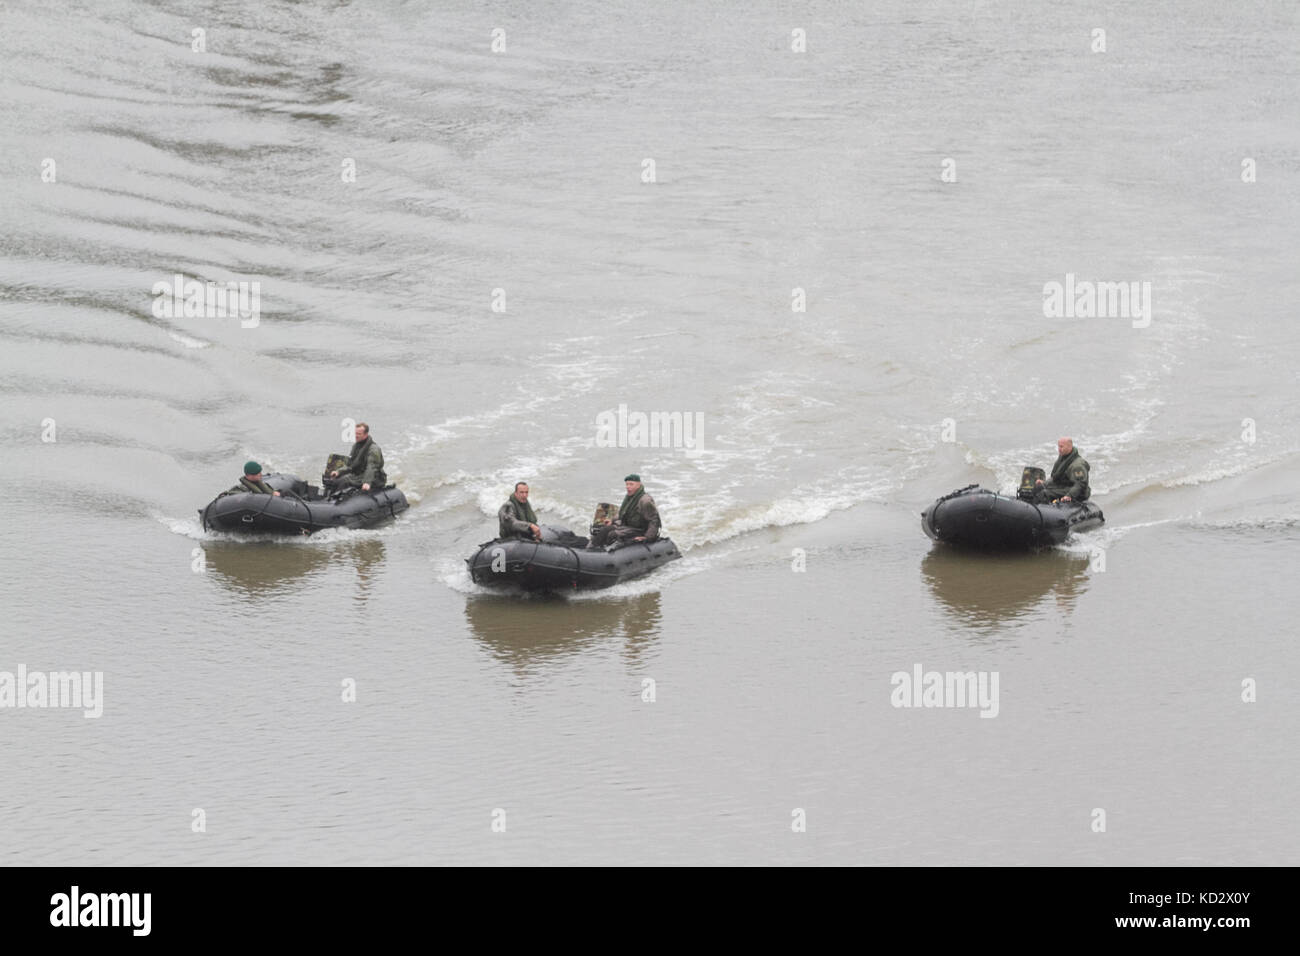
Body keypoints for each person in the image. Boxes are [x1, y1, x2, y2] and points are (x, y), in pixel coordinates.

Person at [587, 474, 661, 549]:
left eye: (631, 484)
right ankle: (591, 548)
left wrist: (647, 537)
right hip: (627, 525)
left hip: (639, 529)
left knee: (612, 534)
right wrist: (612, 520)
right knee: (605, 529)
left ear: (639, 485)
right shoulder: (630, 497)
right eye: (627, 484)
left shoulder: (645, 501)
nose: (628, 487)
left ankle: (603, 551)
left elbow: (654, 521)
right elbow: (623, 513)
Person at [328, 422, 387, 493]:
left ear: (366, 434)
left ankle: (337, 500)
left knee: (345, 481)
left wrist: (367, 482)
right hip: (359, 475)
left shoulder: (373, 449)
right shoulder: (356, 447)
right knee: (335, 480)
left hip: (375, 478)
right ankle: (328, 498)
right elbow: (350, 465)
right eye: (355, 433)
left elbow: (372, 467)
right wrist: (339, 471)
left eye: (359, 434)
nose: (356, 436)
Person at [1034, 437, 1091, 503]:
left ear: (1069, 447)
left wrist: (1069, 495)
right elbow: (1056, 477)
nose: (1059, 449)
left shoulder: (1077, 465)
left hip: (1076, 492)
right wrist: (1044, 483)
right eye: (1058, 446)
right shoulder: (1063, 458)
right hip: (1064, 487)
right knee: (1038, 488)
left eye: (1061, 447)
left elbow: (1080, 484)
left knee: (1044, 494)